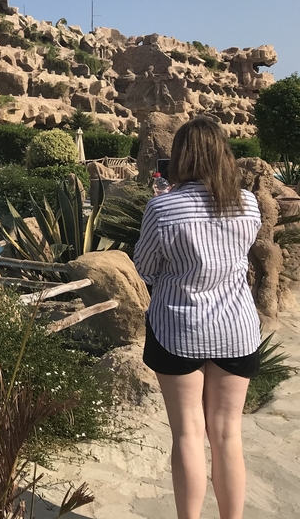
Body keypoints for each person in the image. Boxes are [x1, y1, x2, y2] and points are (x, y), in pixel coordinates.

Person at [133, 116, 262, 519]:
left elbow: (145, 267)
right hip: (236, 328)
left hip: (178, 328)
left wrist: (177, 275)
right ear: (223, 154)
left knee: (188, 433)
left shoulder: (162, 207)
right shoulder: (247, 203)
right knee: (227, 435)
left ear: (180, 156)